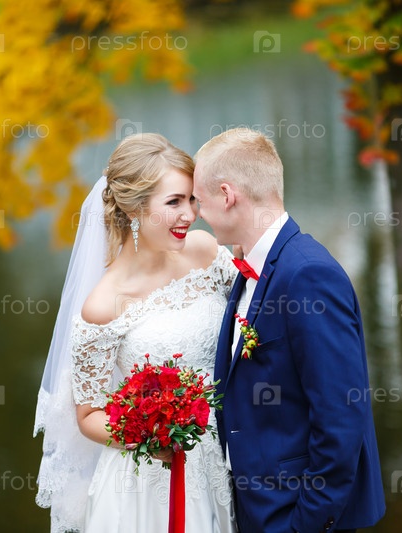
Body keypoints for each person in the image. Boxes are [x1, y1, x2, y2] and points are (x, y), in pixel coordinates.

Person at [33, 133, 238, 533]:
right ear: (134, 209)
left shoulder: (205, 251)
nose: (190, 214)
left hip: (230, 455)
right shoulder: (103, 304)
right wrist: (149, 434)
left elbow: (251, 319)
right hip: (150, 483)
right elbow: (89, 415)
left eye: (192, 199)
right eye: (174, 202)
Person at [192, 128, 386, 533]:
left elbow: (340, 418)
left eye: (199, 199)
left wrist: (305, 523)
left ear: (227, 195)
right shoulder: (251, 268)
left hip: (298, 514)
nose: (197, 214)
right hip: (258, 507)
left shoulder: (308, 275)